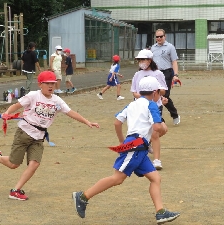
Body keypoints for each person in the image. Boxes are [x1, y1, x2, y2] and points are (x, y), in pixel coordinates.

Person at [73, 76, 180, 224]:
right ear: (155, 92)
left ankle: (160, 212)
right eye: (160, 93)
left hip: (138, 147)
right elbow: (156, 127)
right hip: (136, 145)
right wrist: (163, 127)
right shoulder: (151, 105)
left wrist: (122, 140)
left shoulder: (132, 104)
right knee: (117, 178)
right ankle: (83, 196)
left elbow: (117, 122)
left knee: (155, 178)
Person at [0, 71, 100, 200]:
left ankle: (15, 190)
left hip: (39, 137)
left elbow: (70, 112)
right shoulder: (33, 96)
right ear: (40, 84)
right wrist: (7, 113)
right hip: (24, 133)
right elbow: (17, 105)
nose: (51, 86)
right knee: (13, 164)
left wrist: (87, 122)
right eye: (47, 84)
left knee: (34, 163)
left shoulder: (57, 100)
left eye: (53, 84)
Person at [131, 49, 168, 170]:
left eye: (143, 59)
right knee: (155, 133)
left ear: (150, 60)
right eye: (139, 60)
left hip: (155, 106)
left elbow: (163, 90)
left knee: (162, 130)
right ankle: (157, 160)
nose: (141, 62)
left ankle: (147, 144)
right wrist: (144, 98)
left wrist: (155, 92)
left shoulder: (158, 74)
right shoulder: (137, 75)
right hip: (141, 107)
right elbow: (134, 92)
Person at [150, 29, 180, 125]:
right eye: (157, 37)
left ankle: (174, 114)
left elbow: (174, 62)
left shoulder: (170, 47)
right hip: (155, 73)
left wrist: (175, 75)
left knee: (164, 95)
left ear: (165, 36)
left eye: (161, 36)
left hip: (167, 73)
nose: (159, 38)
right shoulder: (153, 48)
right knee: (156, 95)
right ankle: (159, 118)